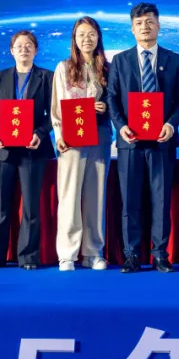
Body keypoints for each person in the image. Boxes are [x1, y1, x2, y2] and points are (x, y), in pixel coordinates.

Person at [107, 3, 179, 274]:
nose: (145, 27)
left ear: (159, 26)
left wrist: (171, 124)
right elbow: (112, 98)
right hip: (130, 141)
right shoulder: (120, 60)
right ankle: (131, 255)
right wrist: (120, 126)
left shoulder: (173, 60)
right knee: (130, 201)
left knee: (161, 200)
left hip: (162, 141)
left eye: (150, 21)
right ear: (132, 29)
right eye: (139, 23)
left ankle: (160, 254)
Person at [0, 30, 55, 271]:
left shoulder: (47, 77)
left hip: (32, 148)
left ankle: (28, 256)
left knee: (31, 206)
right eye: (19, 46)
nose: (24, 49)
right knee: (1, 205)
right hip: (4, 148)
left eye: (29, 45)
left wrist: (40, 134)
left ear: (36, 50)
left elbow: (52, 114)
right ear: (11, 51)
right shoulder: (1, 76)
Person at [51, 16, 112, 272]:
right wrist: (59, 134)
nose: (86, 39)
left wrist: (105, 107)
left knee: (95, 195)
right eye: (81, 35)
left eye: (91, 34)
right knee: (69, 195)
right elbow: (57, 106)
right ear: (74, 40)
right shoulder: (63, 68)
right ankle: (67, 253)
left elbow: (118, 103)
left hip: (100, 136)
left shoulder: (108, 68)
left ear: (98, 38)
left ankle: (93, 252)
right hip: (72, 139)